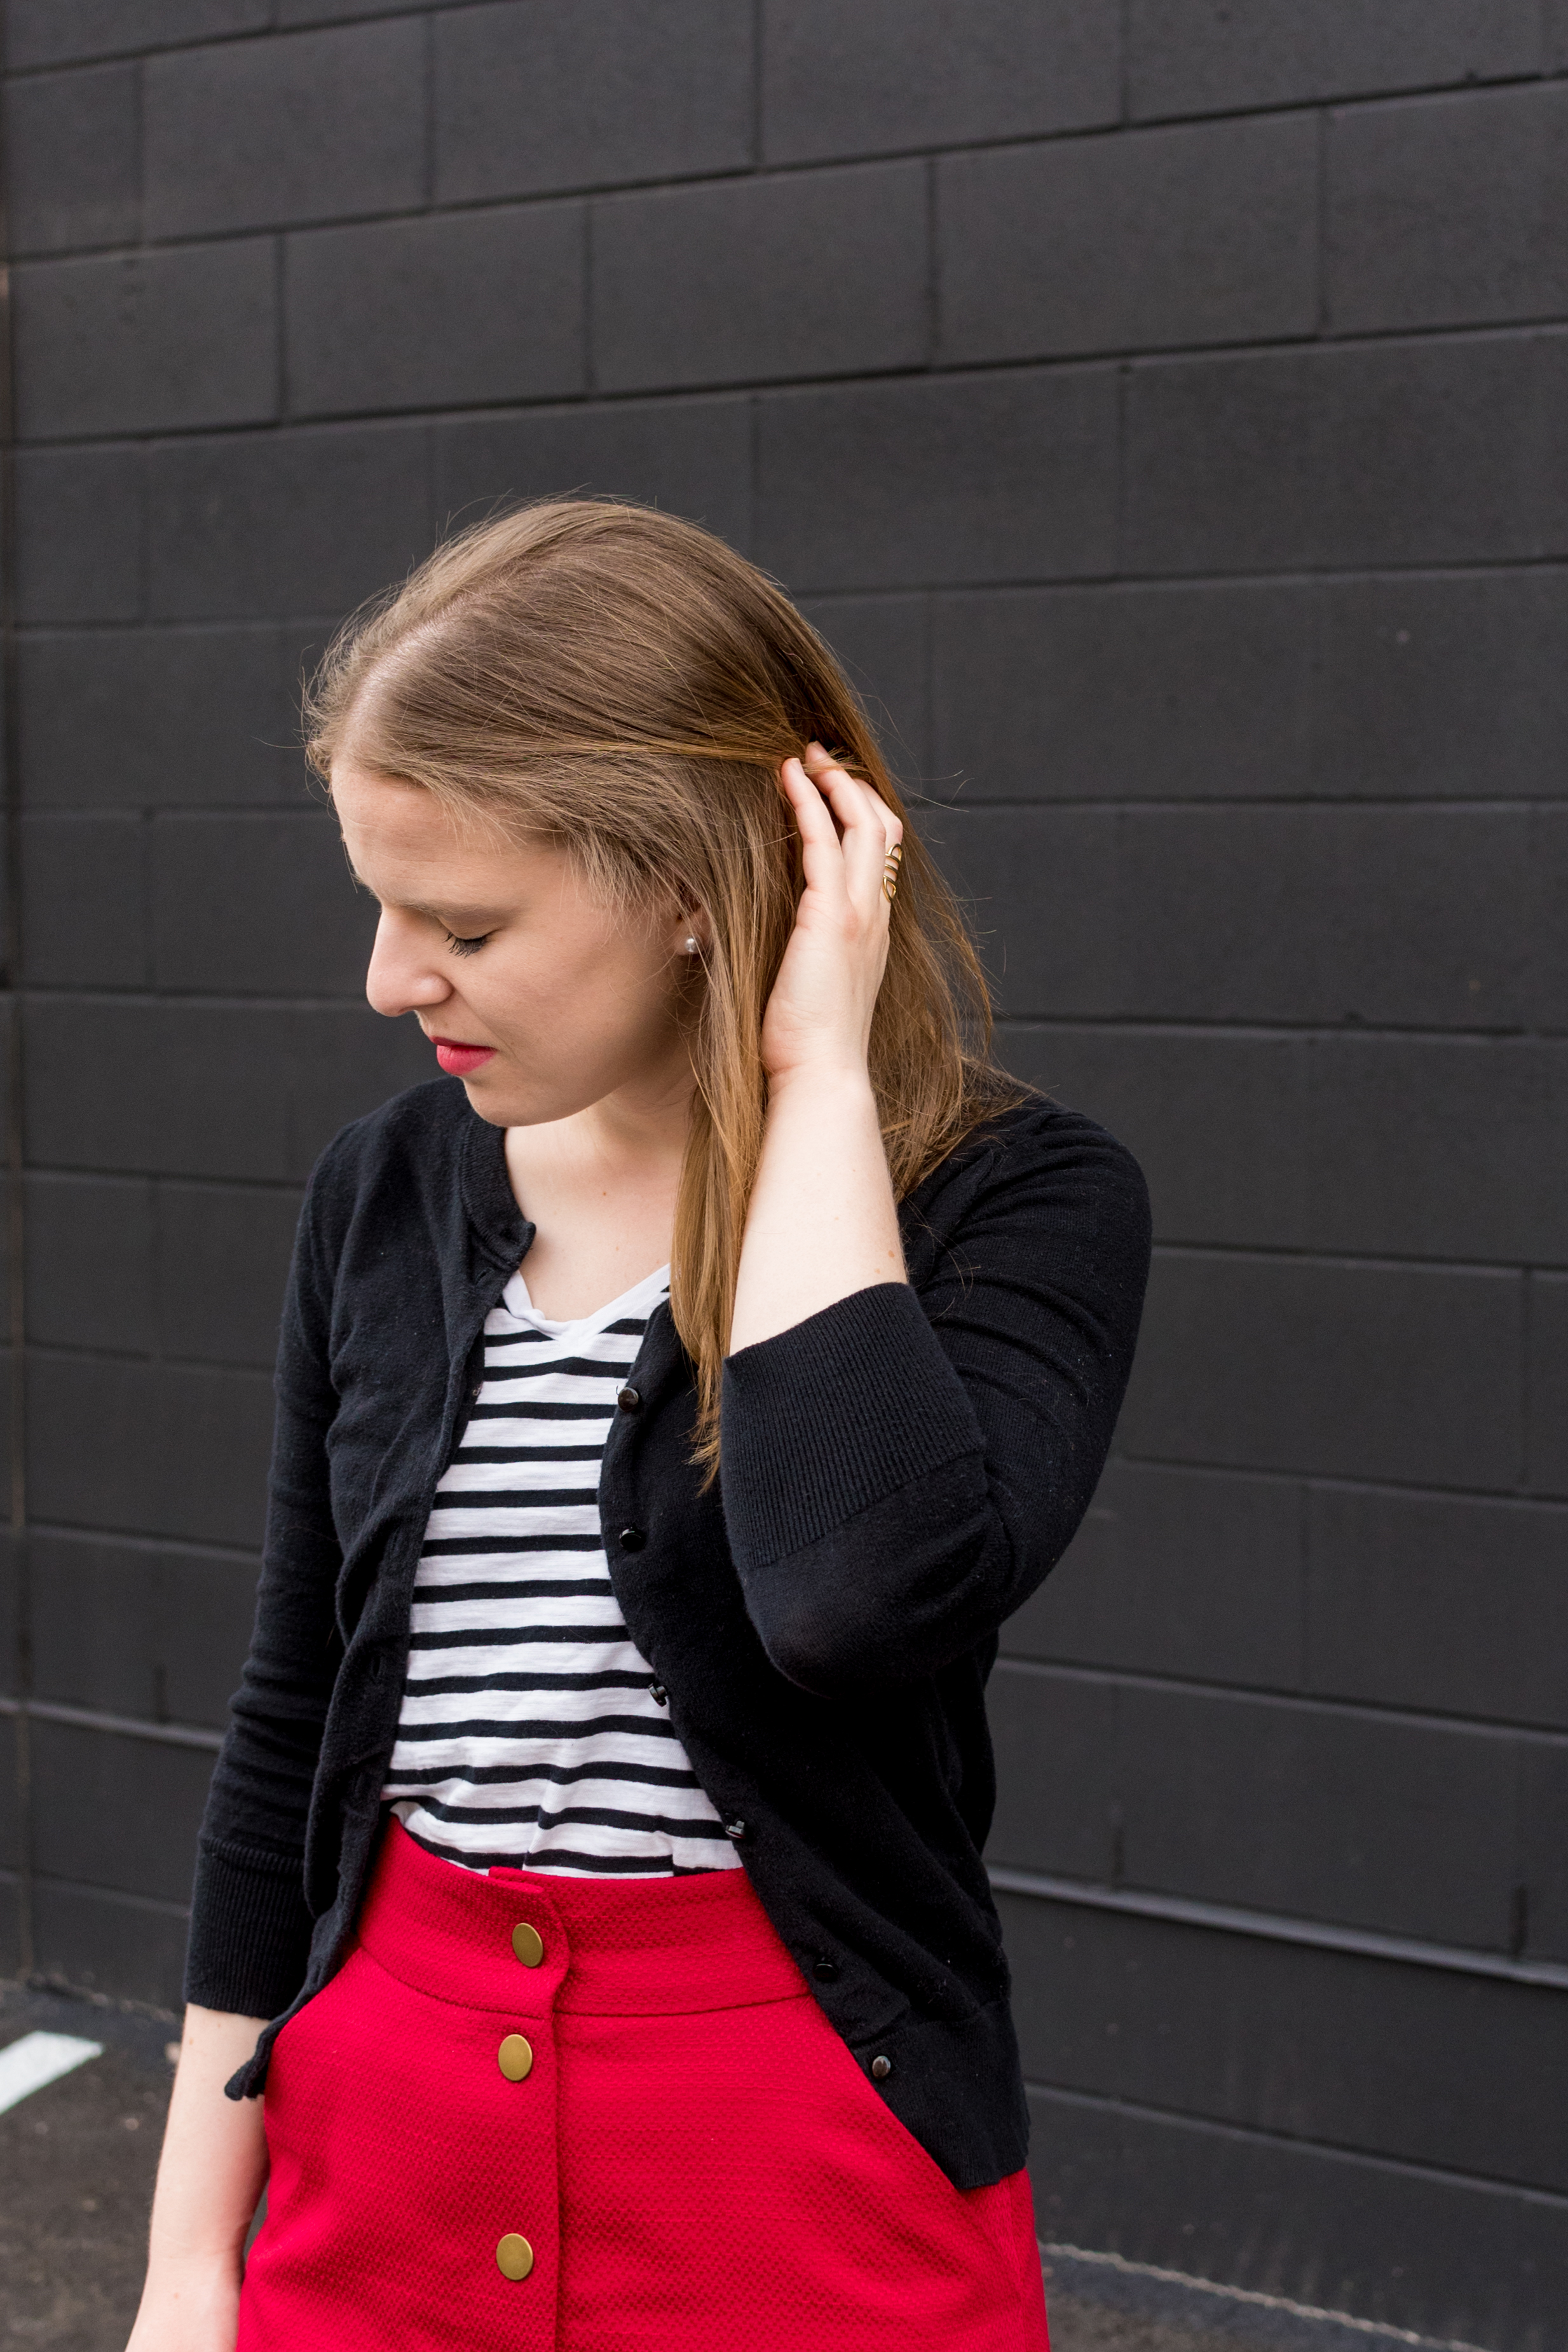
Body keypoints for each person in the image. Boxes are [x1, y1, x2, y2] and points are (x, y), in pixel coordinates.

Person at [126, 500, 1150, 2352]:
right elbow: (289, 1717)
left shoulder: (1011, 1200)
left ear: (694, 882)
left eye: (463, 921)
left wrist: (814, 1081)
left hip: (794, 2175)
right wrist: (190, 2268)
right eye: (376, 900)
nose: (389, 977)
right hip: (377, 2158)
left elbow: (856, 1595)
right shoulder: (385, 1189)